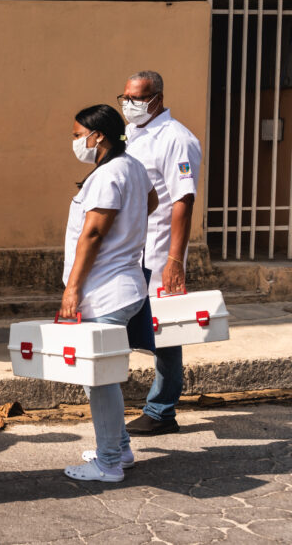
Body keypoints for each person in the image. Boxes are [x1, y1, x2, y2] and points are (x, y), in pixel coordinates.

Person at [61, 104, 157, 483]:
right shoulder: (131, 166)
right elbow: (150, 202)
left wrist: (72, 289)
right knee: (106, 375)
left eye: (76, 134)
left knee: (99, 379)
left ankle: (109, 463)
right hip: (127, 284)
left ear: (96, 135)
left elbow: (94, 233)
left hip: (105, 291)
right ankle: (120, 448)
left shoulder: (108, 175)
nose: (74, 142)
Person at [119, 71, 202, 436]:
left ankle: (161, 410)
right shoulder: (135, 135)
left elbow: (183, 201)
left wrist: (174, 261)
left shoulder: (177, 139)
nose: (128, 104)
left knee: (164, 332)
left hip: (158, 253)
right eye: (124, 97)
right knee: (131, 326)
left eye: (136, 98)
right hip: (131, 251)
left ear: (156, 98)